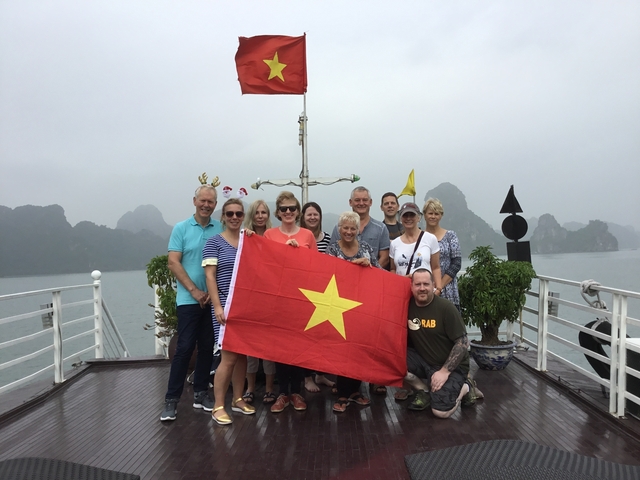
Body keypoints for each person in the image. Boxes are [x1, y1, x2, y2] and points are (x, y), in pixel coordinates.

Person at [160, 183, 222, 422]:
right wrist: (194, 291)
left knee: (207, 347)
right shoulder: (181, 228)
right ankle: (171, 400)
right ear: (194, 201)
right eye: (202, 200)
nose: (206, 205)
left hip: (213, 299)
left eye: (211, 202)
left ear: (215, 205)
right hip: (189, 299)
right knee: (185, 348)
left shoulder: (220, 227)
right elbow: (174, 262)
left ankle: (200, 393)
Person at [203, 198, 256, 425]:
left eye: (238, 213)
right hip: (224, 307)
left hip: (246, 307)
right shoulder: (213, 242)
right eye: (230, 213)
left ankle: (237, 398)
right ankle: (218, 405)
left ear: (243, 216)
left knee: (242, 355)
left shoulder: (249, 242)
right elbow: (210, 276)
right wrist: (217, 306)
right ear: (223, 217)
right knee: (228, 357)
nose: (234, 217)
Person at [264, 191, 318, 413]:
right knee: (280, 347)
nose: (288, 212)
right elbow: (265, 265)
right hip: (278, 300)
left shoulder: (307, 235)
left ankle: (296, 392)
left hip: (302, 299)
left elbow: (316, 267)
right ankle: (282, 393)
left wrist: (299, 256)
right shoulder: (268, 235)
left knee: (298, 347)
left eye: (292, 208)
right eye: (284, 209)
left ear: (298, 212)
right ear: (277, 212)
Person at [403, 268, 482, 418]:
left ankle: (466, 386)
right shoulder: (407, 306)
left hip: (451, 366)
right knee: (392, 360)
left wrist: (445, 371)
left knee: (440, 412)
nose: (422, 288)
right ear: (411, 286)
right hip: (424, 360)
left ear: (433, 285)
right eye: (417, 284)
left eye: (426, 284)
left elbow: (462, 342)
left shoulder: (446, 308)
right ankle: (424, 391)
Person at [326, 211, 379, 412]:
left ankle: (355, 391)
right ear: (339, 229)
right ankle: (342, 394)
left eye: (353, 228)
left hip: (362, 307)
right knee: (342, 350)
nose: (349, 232)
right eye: (345, 228)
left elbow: (378, 273)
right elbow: (327, 275)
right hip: (337, 307)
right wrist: (352, 266)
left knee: (359, 349)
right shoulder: (331, 250)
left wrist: (369, 267)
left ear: (359, 230)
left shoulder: (365, 248)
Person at [241, 200, 278, 405]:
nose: (261, 216)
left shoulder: (274, 236)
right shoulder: (244, 237)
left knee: (269, 348)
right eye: (257, 213)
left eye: (264, 212)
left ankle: (270, 389)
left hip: (271, 300)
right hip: (250, 300)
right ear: (252, 215)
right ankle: (250, 388)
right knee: (251, 349)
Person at [299, 201, 337, 394]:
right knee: (306, 337)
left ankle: (321, 375)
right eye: (309, 214)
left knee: (323, 336)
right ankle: (307, 378)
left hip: (325, 294)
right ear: (303, 217)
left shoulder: (328, 239)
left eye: (316, 214)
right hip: (304, 294)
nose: (312, 218)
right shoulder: (298, 237)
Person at [330, 186, 390, 270]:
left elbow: (384, 258)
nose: (361, 203)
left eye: (365, 200)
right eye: (357, 200)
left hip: (371, 278)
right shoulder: (338, 228)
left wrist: (369, 272)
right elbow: (331, 260)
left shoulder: (381, 228)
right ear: (350, 202)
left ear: (370, 202)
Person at [389, 202, 443, 291]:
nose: (408, 218)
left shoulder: (430, 238)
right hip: (402, 290)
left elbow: (436, 267)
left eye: (412, 215)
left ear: (418, 217)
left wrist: (438, 288)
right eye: (405, 216)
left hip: (424, 291)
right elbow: (393, 269)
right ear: (400, 218)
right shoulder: (394, 244)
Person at [423, 198, 462, 311]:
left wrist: (439, 286)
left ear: (441, 216)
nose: (433, 217)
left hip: (448, 288)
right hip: (425, 287)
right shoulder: (420, 237)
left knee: (450, 322)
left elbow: (456, 263)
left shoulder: (450, 236)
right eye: (430, 213)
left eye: (437, 214)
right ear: (424, 215)